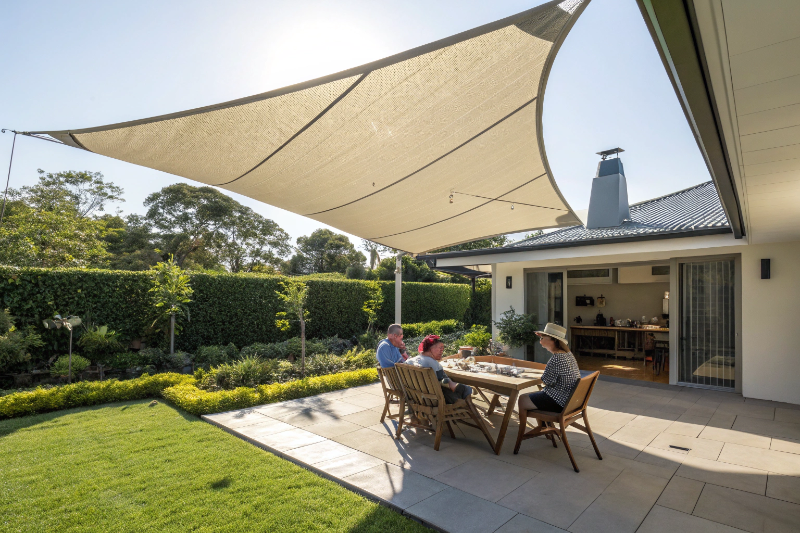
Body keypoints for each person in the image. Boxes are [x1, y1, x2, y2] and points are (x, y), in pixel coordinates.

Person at [518, 323, 581, 413]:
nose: (540, 341)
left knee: (523, 399)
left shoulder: (557, 358)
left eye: (542, 338)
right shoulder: (568, 354)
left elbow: (546, 380)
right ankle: (544, 425)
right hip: (570, 400)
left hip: (560, 401)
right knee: (538, 394)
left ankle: (524, 427)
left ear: (553, 340)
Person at [406, 335, 472, 404]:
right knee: (465, 388)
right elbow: (443, 382)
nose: (442, 351)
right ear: (430, 348)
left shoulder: (410, 361)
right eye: (440, 348)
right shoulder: (432, 363)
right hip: (435, 401)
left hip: (418, 399)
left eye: (442, 349)